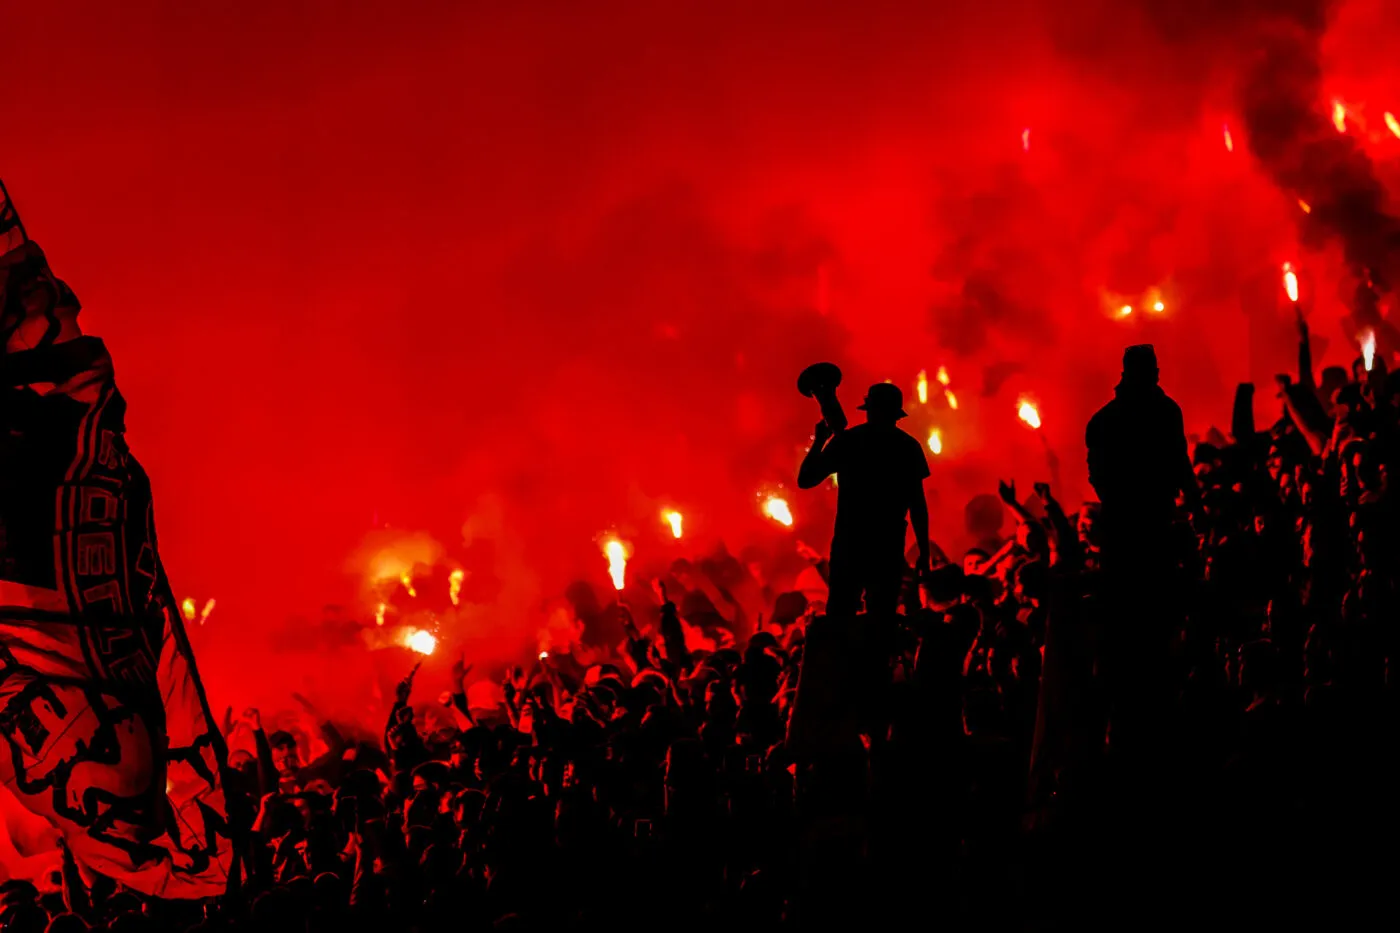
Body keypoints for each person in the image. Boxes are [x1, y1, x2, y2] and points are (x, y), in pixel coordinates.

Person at [798, 382, 931, 616]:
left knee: (840, 612)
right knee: (881, 615)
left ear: (869, 410)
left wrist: (820, 440)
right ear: (896, 413)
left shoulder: (849, 441)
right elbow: (917, 504)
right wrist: (923, 549)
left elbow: (806, 479)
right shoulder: (908, 447)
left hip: (850, 539)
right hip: (888, 543)